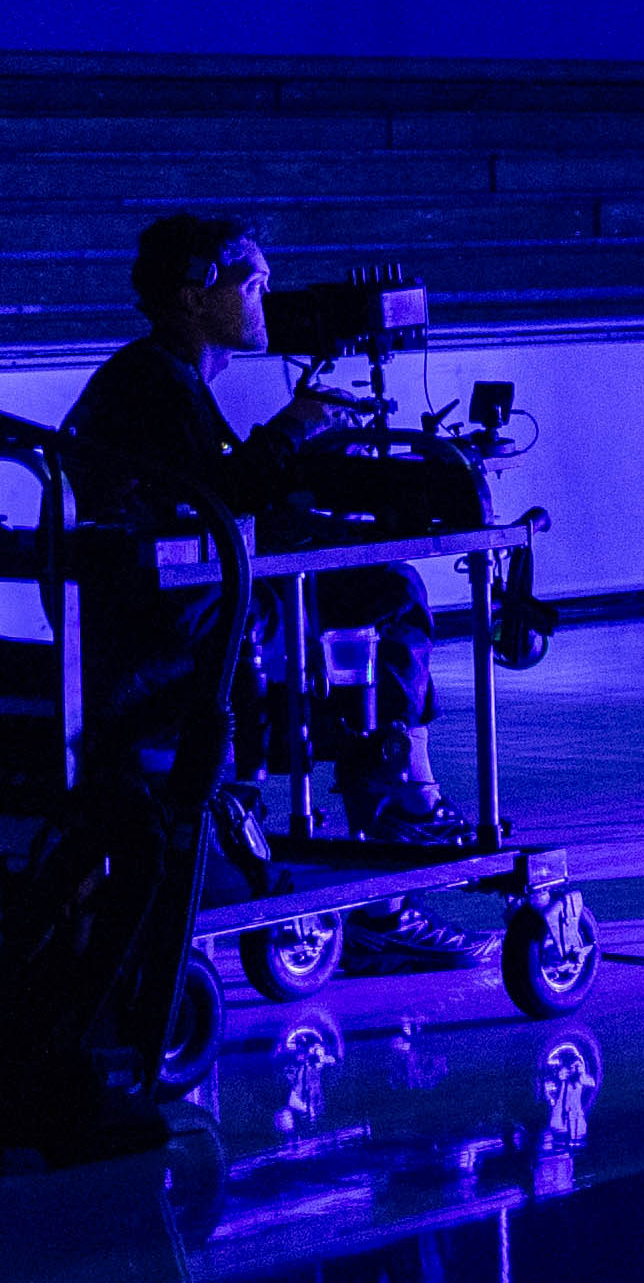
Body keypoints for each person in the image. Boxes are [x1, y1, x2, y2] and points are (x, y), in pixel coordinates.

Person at [64, 214, 448, 877]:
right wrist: (293, 427)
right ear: (193, 295)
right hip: (180, 612)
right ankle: (397, 801)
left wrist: (293, 458)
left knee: (371, 581)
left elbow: (210, 486)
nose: (266, 301)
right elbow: (216, 495)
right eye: (252, 286)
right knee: (390, 589)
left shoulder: (163, 376)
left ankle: (385, 792)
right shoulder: (156, 383)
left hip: (177, 595)